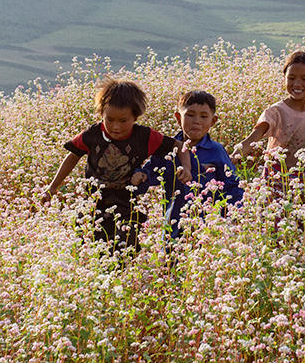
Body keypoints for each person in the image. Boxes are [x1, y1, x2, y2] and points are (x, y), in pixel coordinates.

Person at [41, 78, 192, 251]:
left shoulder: (144, 136)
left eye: (123, 121)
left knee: (126, 246)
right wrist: (53, 187)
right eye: (109, 119)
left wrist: (186, 167)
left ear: (135, 117)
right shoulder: (93, 134)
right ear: (101, 114)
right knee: (88, 247)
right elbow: (73, 156)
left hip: (127, 203)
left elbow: (179, 146)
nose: (115, 127)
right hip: (94, 202)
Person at [134, 90, 243, 240]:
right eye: (190, 115)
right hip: (173, 222)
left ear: (213, 121)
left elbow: (230, 184)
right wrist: (140, 175)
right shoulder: (167, 149)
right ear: (178, 118)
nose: (197, 121)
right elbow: (150, 174)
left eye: (204, 116)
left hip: (208, 225)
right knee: (171, 259)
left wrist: (235, 213)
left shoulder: (216, 151)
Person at [233, 51, 305, 172]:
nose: (297, 84)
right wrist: (233, 157)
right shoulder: (275, 112)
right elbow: (253, 137)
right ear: (284, 78)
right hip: (276, 175)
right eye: (291, 78)